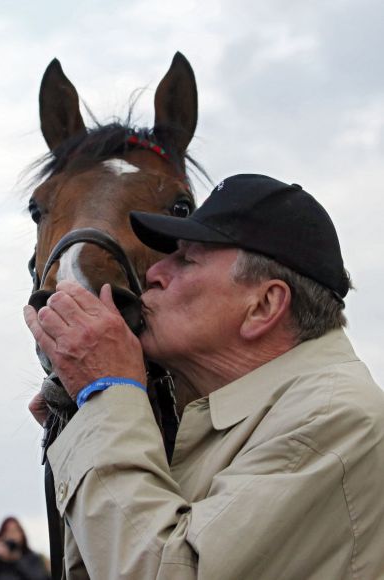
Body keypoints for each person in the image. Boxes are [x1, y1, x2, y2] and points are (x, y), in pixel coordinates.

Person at [24, 174, 384, 579]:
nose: (156, 271)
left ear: (263, 306)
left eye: (186, 259)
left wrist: (107, 397)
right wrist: (88, 420)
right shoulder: (233, 420)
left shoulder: (331, 418)